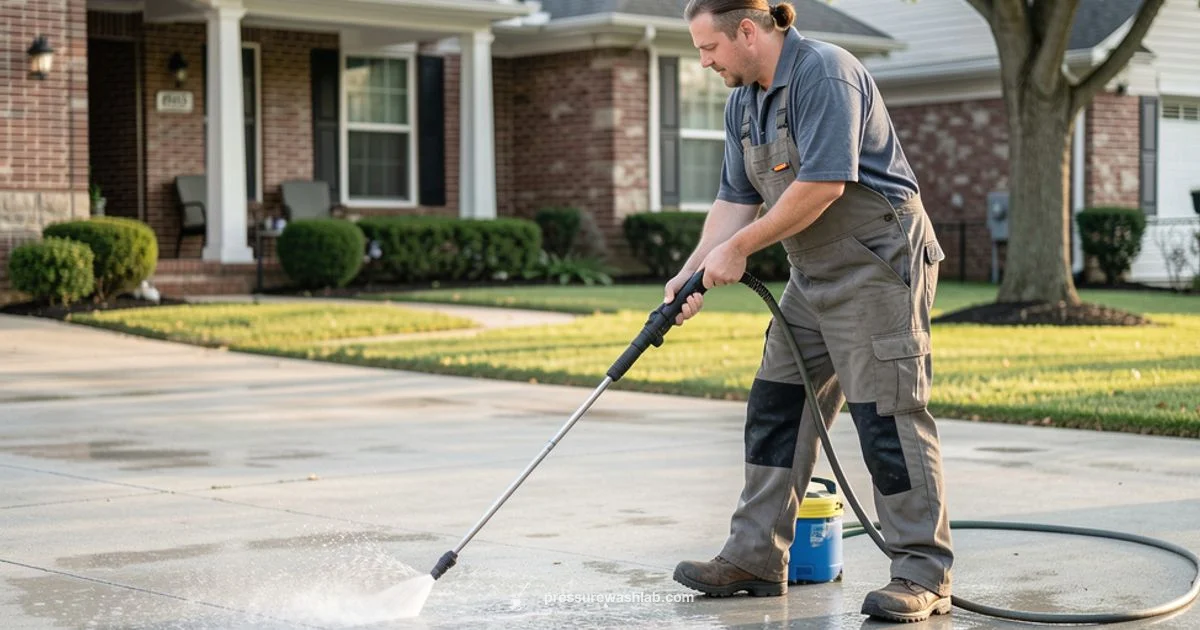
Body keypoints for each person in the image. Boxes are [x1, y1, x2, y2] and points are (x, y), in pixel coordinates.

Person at [666, 0, 954, 623]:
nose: (705, 61)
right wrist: (694, 268)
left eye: (708, 47)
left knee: (886, 416)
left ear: (748, 30)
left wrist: (738, 251)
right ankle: (754, 557)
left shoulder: (826, 73)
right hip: (813, 273)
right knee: (776, 404)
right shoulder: (744, 100)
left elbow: (822, 184)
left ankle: (922, 572)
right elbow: (733, 200)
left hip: (878, 265)